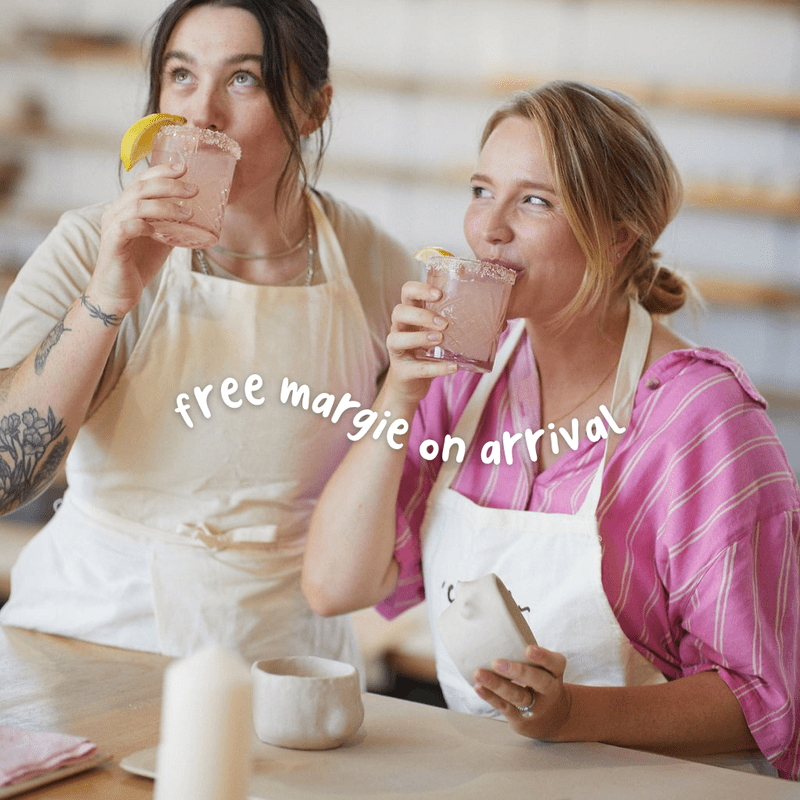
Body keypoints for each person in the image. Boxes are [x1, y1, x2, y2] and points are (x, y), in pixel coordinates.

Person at [302, 80, 800, 779]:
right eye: (481, 191)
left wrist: (572, 716)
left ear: (619, 235)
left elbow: (765, 702)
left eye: (534, 201)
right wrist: (400, 391)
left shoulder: (700, 416)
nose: (489, 228)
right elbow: (334, 587)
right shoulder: (464, 381)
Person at [0, 0, 416, 671]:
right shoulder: (89, 245)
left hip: (284, 664)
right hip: (89, 640)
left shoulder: (376, 266)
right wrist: (108, 296)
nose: (202, 114)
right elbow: (3, 480)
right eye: (182, 76)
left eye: (243, 79)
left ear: (314, 109)